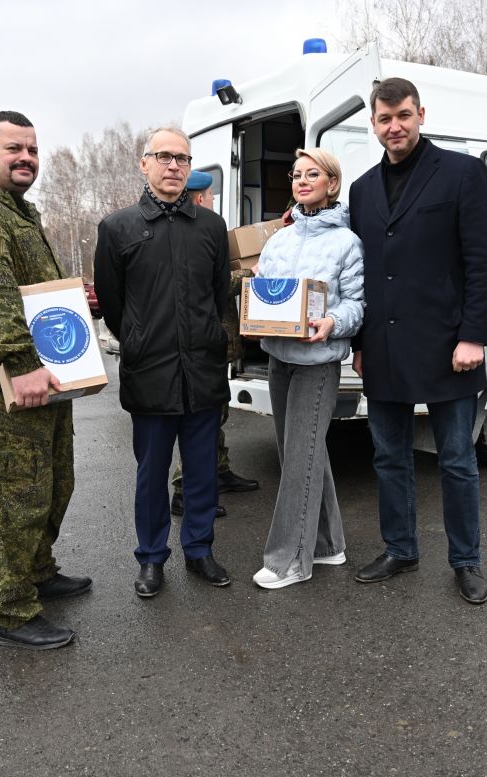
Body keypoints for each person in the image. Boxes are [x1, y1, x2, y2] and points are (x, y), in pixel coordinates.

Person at [348, 78, 487, 604]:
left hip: (448, 349)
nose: (395, 126)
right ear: (373, 124)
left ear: (421, 115)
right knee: (389, 458)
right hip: (385, 349)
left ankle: (466, 561)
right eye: (385, 118)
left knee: (457, 460)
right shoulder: (362, 189)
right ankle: (401, 548)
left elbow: (486, 263)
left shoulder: (463, 173)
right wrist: (361, 343)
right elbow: (362, 271)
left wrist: (474, 336)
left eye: (404, 115)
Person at [0, 110, 92, 649]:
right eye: (13, 149)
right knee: (16, 495)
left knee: (55, 482)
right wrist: (20, 362)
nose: (26, 157)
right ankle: (10, 612)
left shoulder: (19, 211)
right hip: (2, 378)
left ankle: (38, 571)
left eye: (32, 149)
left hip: (41, 372)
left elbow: (32, 289)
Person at [94, 128, 233, 598]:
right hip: (150, 372)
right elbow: (113, 304)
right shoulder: (118, 228)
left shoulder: (212, 229)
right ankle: (151, 559)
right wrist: (137, 338)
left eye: (183, 158)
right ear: (144, 163)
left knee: (201, 471)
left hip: (202, 372)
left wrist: (214, 340)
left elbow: (219, 298)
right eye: (165, 157)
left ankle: (200, 550)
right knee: (152, 474)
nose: (174, 166)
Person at [249, 148, 364, 589]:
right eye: (295, 174)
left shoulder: (347, 242)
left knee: (301, 458)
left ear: (331, 183)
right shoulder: (280, 239)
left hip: (318, 364)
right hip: (279, 358)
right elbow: (268, 296)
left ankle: (290, 560)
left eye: (311, 174)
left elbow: (357, 304)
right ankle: (329, 544)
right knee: (301, 453)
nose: (301, 180)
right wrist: (257, 288)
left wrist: (333, 322)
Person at [170, 169, 259, 519]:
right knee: (198, 417)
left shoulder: (205, 226)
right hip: (203, 340)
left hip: (217, 339)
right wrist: (251, 274)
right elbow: (211, 284)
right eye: (207, 195)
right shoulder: (193, 230)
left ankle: (218, 471)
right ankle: (182, 488)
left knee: (215, 412)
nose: (209, 199)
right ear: (199, 197)